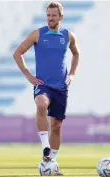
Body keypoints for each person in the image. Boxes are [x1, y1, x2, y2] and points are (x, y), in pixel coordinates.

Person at [13, 1, 80, 174]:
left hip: (61, 88)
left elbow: (76, 53)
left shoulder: (68, 36)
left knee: (56, 126)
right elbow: (17, 53)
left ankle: (51, 164)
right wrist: (28, 75)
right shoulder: (37, 34)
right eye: (48, 15)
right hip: (43, 85)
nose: (50, 18)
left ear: (61, 17)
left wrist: (72, 74)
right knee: (41, 104)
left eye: (53, 15)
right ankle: (45, 148)